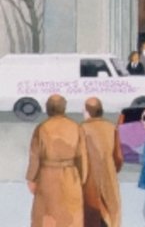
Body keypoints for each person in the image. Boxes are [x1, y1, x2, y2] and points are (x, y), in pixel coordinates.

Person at [26, 93, 88, 227]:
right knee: (71, 216)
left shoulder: (42, 128)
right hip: (71, 177)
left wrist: (31, 178)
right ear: (64, 108)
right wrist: (82, 179)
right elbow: (82, 156)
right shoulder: (75, 127)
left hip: (47, 176)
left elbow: (34, 156)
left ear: (48, 108)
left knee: (46, 216)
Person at [81, 95, 124, 227]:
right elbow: (118, 158)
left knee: (89, 215)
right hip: (108, 177)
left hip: (88, 178)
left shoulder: (80, 129)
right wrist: (110, 169)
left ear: (87, 112)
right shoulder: (111, 128)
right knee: (110, 214)